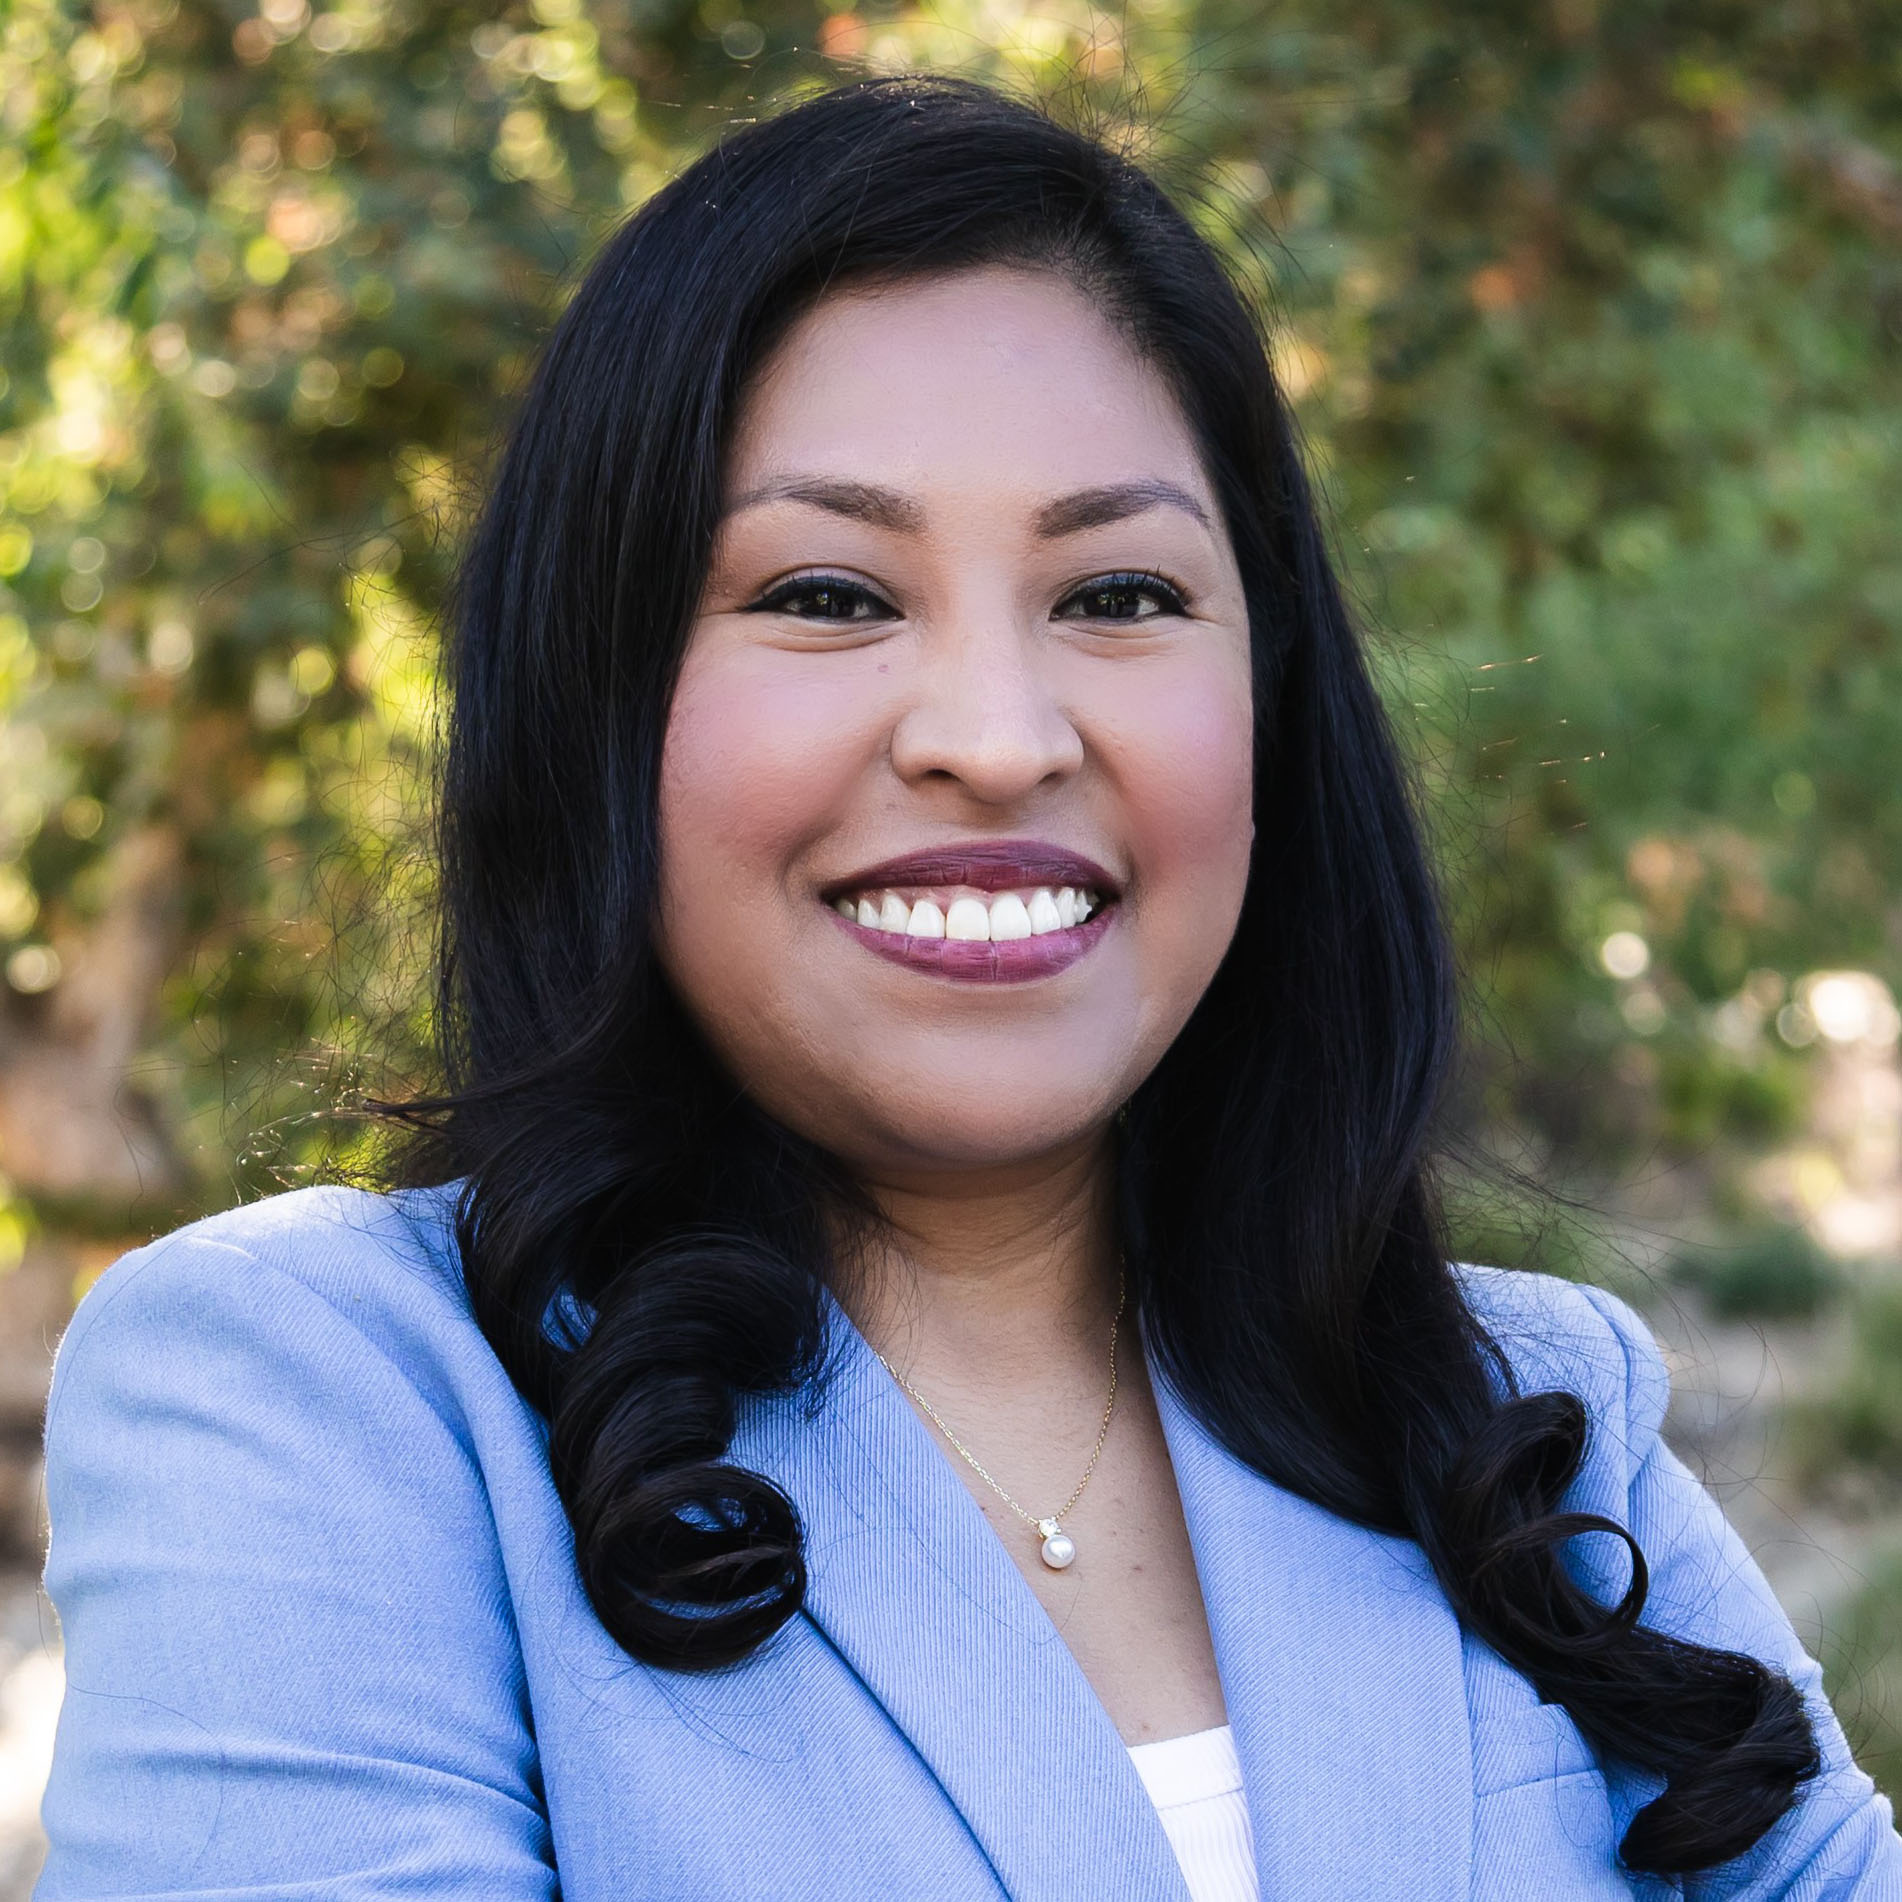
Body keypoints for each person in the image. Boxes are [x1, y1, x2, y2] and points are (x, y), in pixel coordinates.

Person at [32, 75, 1902, 1901]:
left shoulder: (1526, 1427)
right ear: (599, 702)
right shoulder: (332, 1395)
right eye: (830, 595)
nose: (1000, 740)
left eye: (1120, 595)